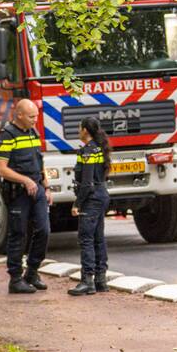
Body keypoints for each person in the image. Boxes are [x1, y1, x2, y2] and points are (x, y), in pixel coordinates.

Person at [0, 98, 52, 294]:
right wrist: (24, 180)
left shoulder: (33, 132)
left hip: (37, 189)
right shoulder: (7, 136)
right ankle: (16, 278)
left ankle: (32, 272)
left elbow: (39, 161)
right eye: (31, 116)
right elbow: (1, 169)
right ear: (18, 115)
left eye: (36, 116)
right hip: (18, 193)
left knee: (44, 231)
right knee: (18, 234)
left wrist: (46, 186)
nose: (35, 120)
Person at [69, 117, 112, 296]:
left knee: (86, 239)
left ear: (85, 130)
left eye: (80, 128)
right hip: (102, 195)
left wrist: (77, 203)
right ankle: (101, 280)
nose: (79, 131)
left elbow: (86, 183)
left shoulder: (87, 151)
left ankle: (87, 281)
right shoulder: (99, 148)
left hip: (91, 198)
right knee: (98, 238)